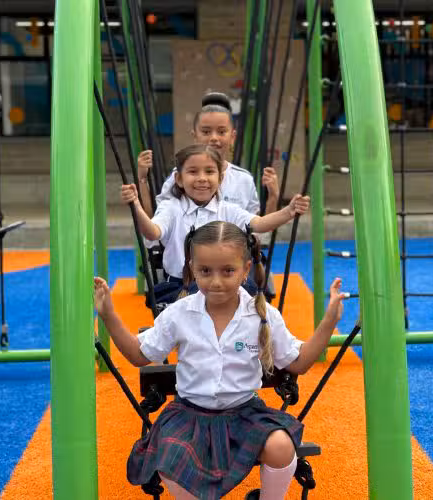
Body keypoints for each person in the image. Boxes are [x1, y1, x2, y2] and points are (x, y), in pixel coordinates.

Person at [94, 220, 346, 500]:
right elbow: (139, 355)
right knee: (167, 456)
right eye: (205, 271)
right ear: (192, 269)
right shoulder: (180, 313)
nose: (216, 281)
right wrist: (108, 315)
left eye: (228, 271)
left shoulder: (262, 315)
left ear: (245, 270)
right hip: (190, 415)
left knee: (281, 446)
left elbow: (298, 363)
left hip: (244, 413)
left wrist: (329, 322)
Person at [121, 144, 309, 303]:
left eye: (209, 171)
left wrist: (288, 211)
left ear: (220, 179)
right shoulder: (171, 208)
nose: (202, 178)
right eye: (193, 172)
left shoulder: (228, 209)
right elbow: (153, 232)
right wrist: (136, 206)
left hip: (223, 285)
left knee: (252, 292)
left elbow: (259, 223)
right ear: (179, 179)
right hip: (181, 287)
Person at [137, 92, 280, 217]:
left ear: (232, 137)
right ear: (195, 136)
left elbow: (258, 230)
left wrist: (273, 196)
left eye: (221, 132)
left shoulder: (243, 180)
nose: (214, 138)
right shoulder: (180, 175)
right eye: (206, 132)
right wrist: (142, 180)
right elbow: (156, 222)